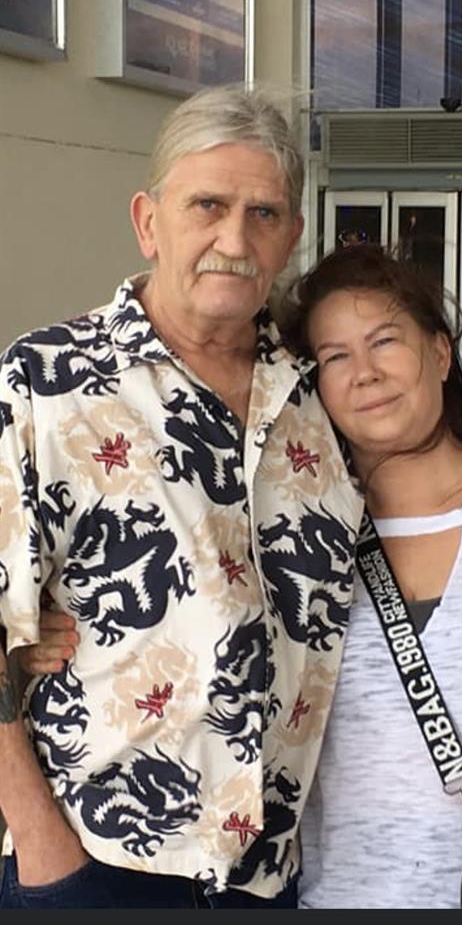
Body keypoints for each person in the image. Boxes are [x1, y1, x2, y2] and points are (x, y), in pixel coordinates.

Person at [0, 84, 363, 909]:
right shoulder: (49, 383)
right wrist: (42, 848)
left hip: (270, 873)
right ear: (148, 220)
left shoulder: (318, 394)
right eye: (207, 204)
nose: (234, 239)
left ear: (292, 237)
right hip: (95, 861)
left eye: (264, 213)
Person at [281, 242, 462, 909]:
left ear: (439, 352)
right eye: (335, 356)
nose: (364, 373)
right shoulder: (299, 540)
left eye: (383, 341)